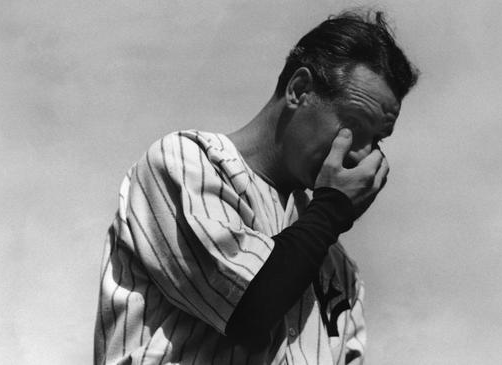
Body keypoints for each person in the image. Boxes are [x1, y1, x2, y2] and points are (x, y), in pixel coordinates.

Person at [94, 9, 418, 365]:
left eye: (376, 141)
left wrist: (327, 216)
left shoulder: (340, 270)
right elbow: (248, 310)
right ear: (299, 90)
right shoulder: (186, 163)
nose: (361, 155)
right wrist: (331, 210)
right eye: (354, 126)